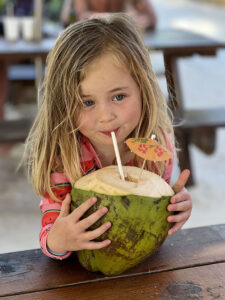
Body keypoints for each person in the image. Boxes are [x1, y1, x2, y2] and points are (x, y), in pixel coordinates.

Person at [24, 14, 192, 259]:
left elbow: (153, 220)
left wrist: (175, 207)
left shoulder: (155, 149)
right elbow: (50, 233)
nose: (105, 116)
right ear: (64, 105)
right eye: (87, 102)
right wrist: (59, 240)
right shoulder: (62, 160)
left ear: (143, 88)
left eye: (119, 97)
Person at [61, 0, 157, 30]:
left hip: (124, 45)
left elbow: (151, 18)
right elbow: (80, 16)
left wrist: (142, 21)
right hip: (88, 46)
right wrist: (123, 18)